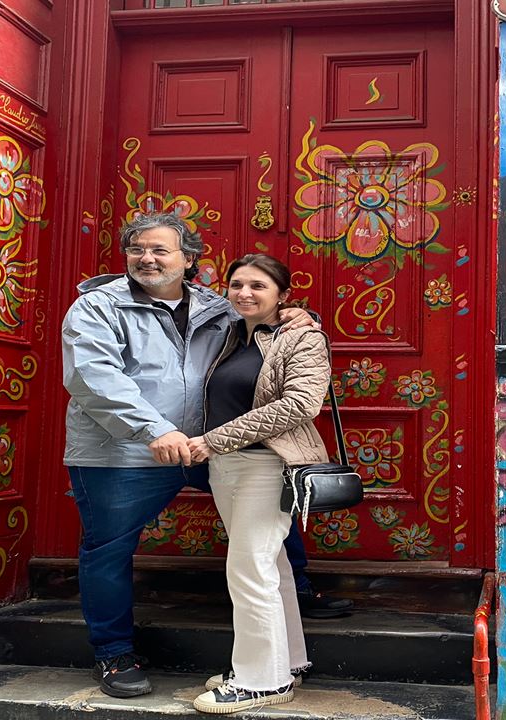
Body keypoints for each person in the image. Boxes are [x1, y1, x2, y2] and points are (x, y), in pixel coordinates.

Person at [61, 213, 331, 699]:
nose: (147, 258)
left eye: (160, 250)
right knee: (108, 550)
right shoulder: (98, 306)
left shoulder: (217, 307)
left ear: (189, 260)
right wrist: (155, 430)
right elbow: (93, 376)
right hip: (123, 451)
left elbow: (267, 328)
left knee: (269, 523)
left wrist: (299, 315)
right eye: (137, 249)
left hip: (211, 447)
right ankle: (114, 653)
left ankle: (296, 604)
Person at [186, 254, 331, 714]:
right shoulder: (231, 335)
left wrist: (214, 440)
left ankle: (261, 681)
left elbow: (300, 404)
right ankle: (287, 661)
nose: (244, 293)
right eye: (237, 285)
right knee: (271, 566)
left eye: (258, 286)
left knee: (249, 569)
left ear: (283, 295)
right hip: (227, 465)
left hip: (268, 465)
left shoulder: (302, 337)